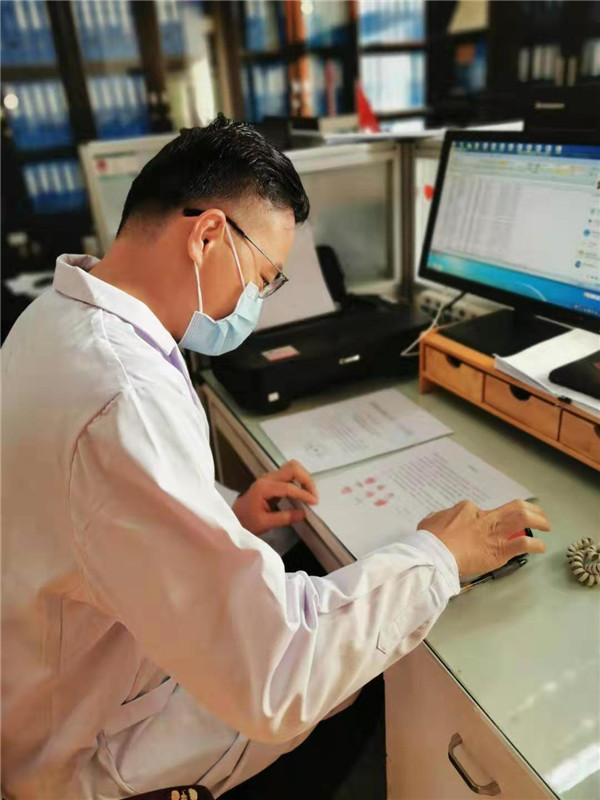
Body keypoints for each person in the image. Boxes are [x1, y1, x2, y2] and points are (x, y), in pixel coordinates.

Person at [1, 115, 550, 800]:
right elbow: (279, 673)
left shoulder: (53, 316)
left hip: (59, 680)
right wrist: (440, 555)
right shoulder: (124, 397)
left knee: (317, 578)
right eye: (263, 278)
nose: (254, 303)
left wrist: (227, 518)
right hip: (81, 751)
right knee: (360, 669)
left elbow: (87, 516)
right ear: (206, 236)